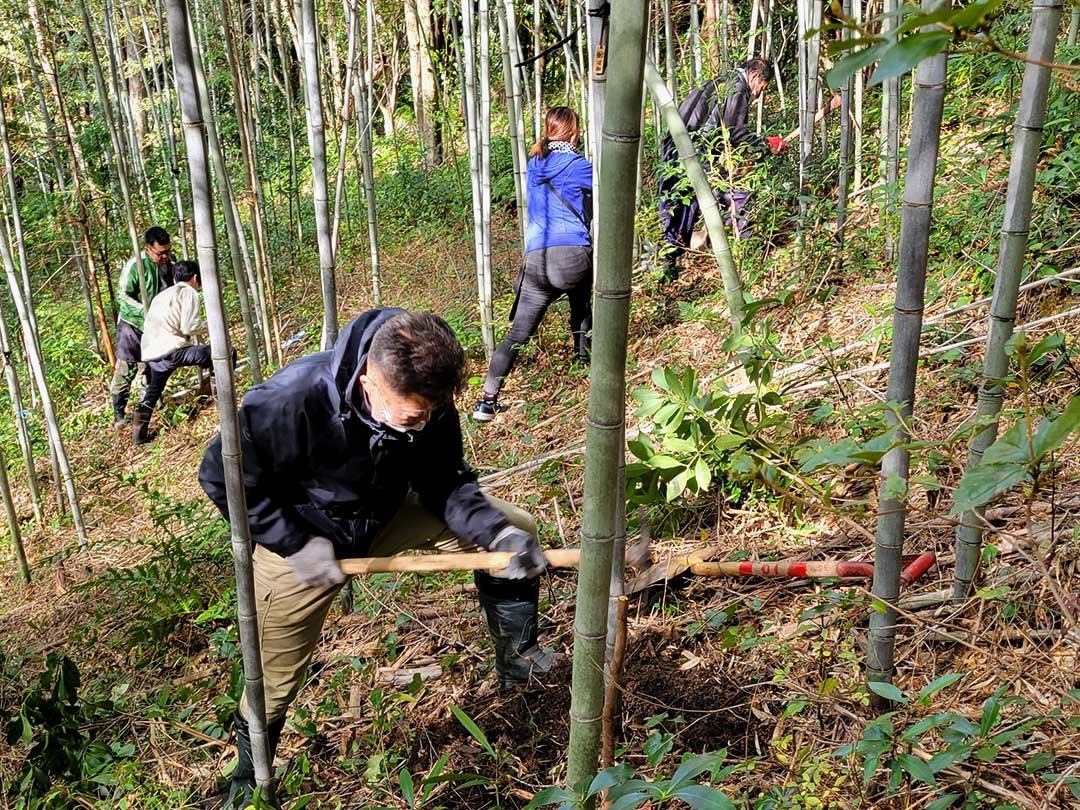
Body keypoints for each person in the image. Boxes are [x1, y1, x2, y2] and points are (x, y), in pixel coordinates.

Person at [198, 308, 558, 806]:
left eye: (433, 411)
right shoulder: (289, 399)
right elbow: (222, 478)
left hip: (382, 514)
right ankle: (250, 775)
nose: (426, 421)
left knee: (514, 528)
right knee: (275, 675)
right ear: (369, 378)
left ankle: (519, 660)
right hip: (302, 538)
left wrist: (495, 535)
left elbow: (442, 480)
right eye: (413, 415)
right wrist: (295, 541)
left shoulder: (429, 395)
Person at [472, 106, 593, 422]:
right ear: (573, 132)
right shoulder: (579, 165)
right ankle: (585, 364)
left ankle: (487, 401)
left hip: (536, 262)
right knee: (581, 306)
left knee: (517, 335)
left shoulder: (534, 164)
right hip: (572, 256)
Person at [657, 57, 786, 281]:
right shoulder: (736, 88)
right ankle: (746, 254)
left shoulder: (719, 81)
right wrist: (766, 144)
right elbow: (735, 134)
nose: (759, 95)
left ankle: (667, 270)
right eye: (762, 88)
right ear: (755, 77)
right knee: (740, 195)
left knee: (678, 210)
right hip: (695, 154)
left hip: (676, 151)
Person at [132, 260, 213, 445]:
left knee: (154, 391)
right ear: (195, 277)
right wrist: (212, 326)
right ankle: (220, 400)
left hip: (151, 355)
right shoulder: (188, 292)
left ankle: (139, 437)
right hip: (172, 351)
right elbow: (189, 326)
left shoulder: (163, 295)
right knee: (223, 354)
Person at [109, 226, 175, 428]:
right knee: (126, 367)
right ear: (148, 249)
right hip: (133, 324)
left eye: (167, 251)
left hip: (157, 325)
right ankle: (119, 413)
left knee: (152, 365)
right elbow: (123, 295)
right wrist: (145, 311)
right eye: (160, 253)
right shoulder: (135, 266)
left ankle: (151, 407)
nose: (164, 256)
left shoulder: (169, 264)